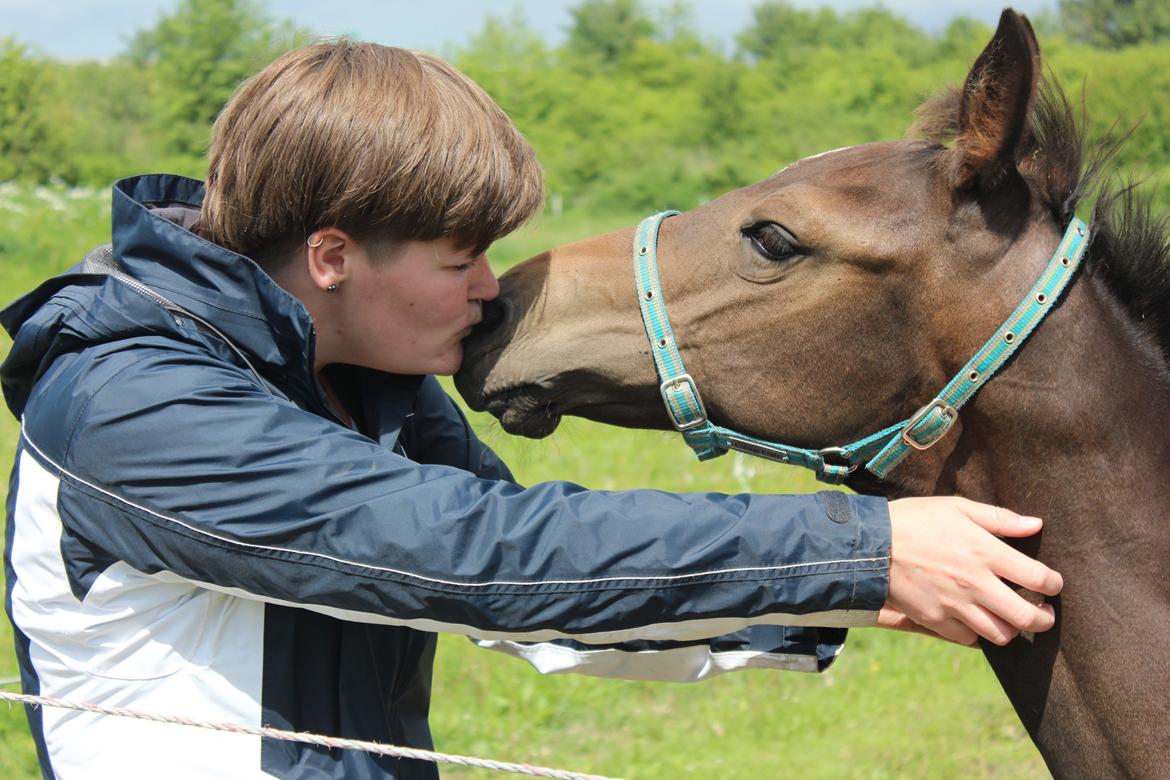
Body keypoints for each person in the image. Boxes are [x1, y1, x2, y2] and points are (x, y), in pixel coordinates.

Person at [0, 42, 1061, 779]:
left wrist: (850, 599)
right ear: (331, 258)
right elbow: (477, 556)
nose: (487, 290)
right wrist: (859, 548)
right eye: (462, 259)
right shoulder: (130, 401)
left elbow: (539, 603)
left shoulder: (371, 385)